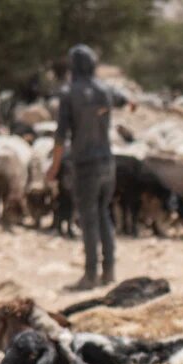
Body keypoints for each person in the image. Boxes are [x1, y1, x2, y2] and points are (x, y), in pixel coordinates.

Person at [48, 45, 128, 290]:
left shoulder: (69, 93)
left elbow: (61, 136)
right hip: (108, 161)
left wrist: (54, 167)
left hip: (85, 163)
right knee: (103, 213)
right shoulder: (105, 90)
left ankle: (90, 275)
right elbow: (124, 99)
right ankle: (109, 270)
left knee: (88, 218)